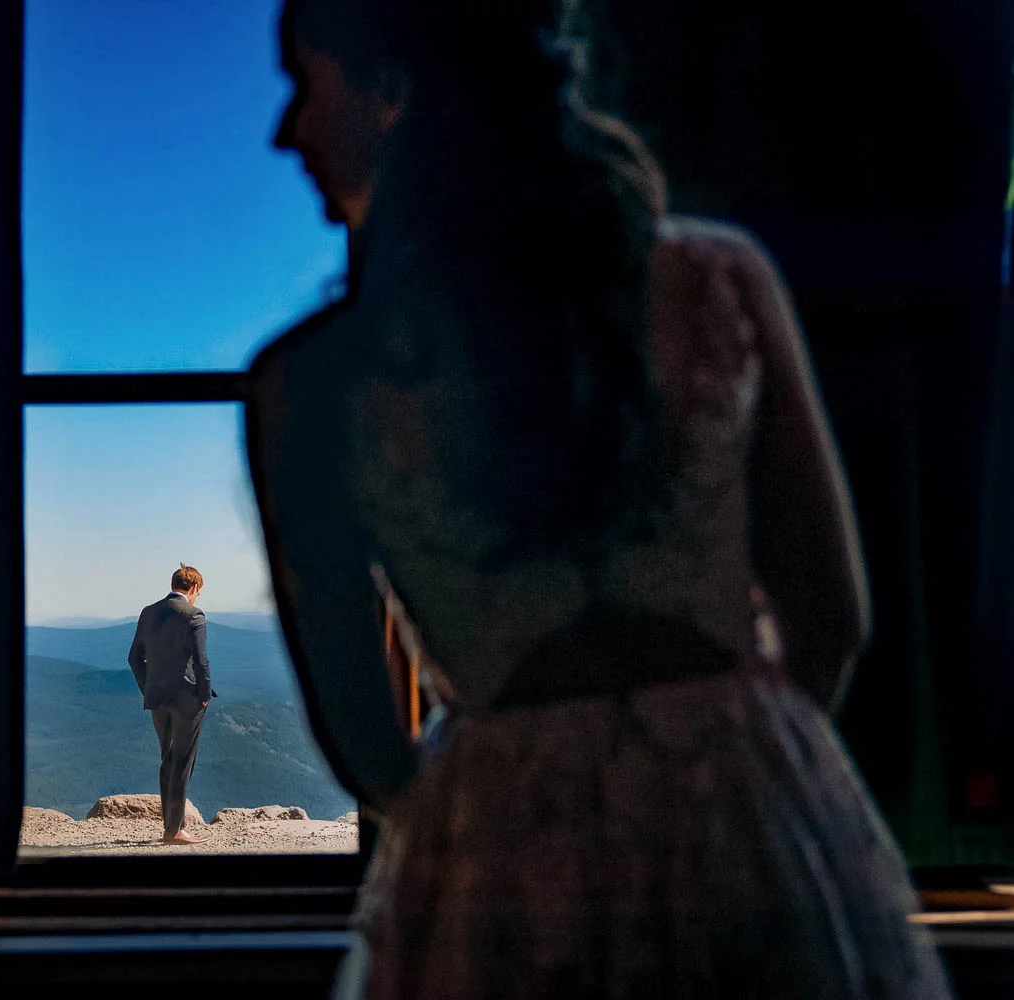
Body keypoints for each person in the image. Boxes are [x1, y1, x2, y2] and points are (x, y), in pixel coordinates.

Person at [246, 0, 953, 996]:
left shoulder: (311, 384)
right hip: (747, 802)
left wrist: (473, 829)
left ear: (393, 95)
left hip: (503, 843)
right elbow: (831, 610)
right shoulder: (716, 282)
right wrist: (751, 768)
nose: (287, 132)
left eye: (303, 85)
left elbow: (362, 731)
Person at [127, 563, 217, 845]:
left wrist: (148, 687)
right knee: (183, 761)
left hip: (157, 698)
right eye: (198, 592)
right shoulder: (194, 614)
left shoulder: (148, 612)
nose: (196, 597)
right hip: (188, 699)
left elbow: (134, 658)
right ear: (193, 588)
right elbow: (201, 661)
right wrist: (203, 694)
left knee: (167, 758)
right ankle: (174, 830)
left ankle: (171, 827)